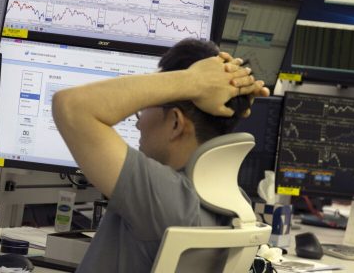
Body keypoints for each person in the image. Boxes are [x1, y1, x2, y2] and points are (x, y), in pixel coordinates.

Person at [51, 38, 270, 272]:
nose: (138, 124)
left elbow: (71, 106)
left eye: (145, 108)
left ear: (175, 123)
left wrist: (193, 81)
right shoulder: (235, 203)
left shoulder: (163, 197)